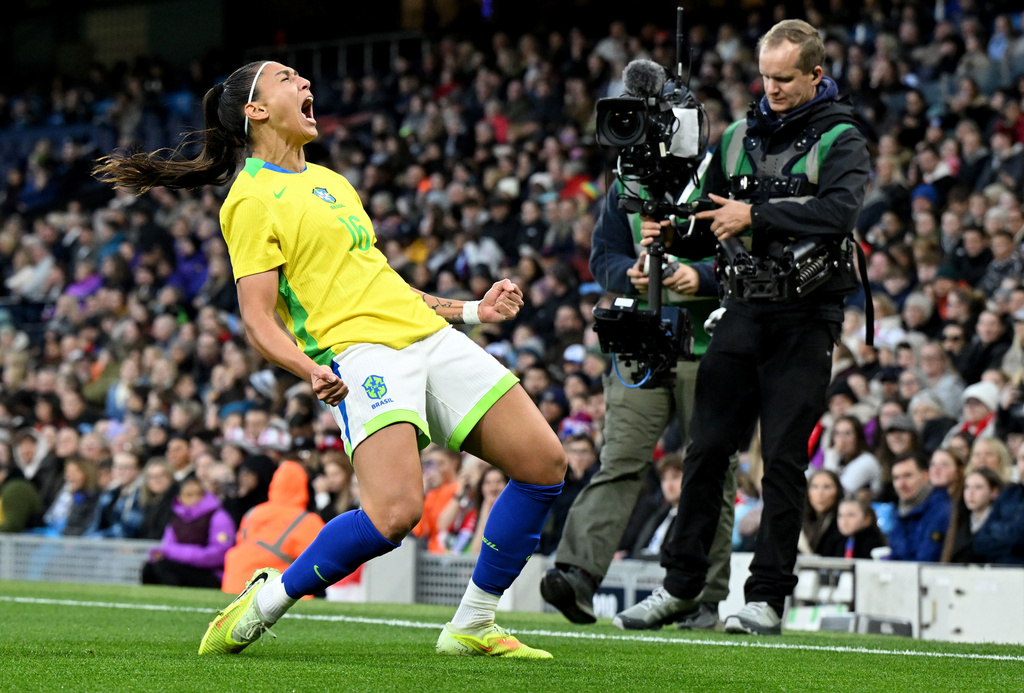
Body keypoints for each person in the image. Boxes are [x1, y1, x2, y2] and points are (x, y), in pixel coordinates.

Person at [95, 59, 566, 659]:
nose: (307, 84)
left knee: (544, 463)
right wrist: (307, 368)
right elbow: (258, 318)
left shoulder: (332, 181)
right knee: (394, 516)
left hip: (428, 337)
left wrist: (472, 312)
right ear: (256, 110)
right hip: (360, 354)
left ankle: (472, 623)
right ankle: (267, 600)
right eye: (288, 79)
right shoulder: (249, 199)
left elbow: (381, 282)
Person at [613, 19, 870, 636]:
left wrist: (752, 212)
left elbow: (839, 212)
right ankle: (679, 588)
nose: (772, 89)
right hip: (742, 313)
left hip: (806, 320)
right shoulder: (734, 138)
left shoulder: (843, 138)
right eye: (764, 77)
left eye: (784, 79)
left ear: (814, 73)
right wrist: (672, 230)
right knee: (704, 452)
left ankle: (767, 599)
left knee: (782, 460)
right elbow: (704, 214)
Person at [540, 73, 733, 630]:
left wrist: (696, 275)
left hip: (709, 341)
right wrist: (623, 273)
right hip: (640, 342)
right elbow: (603, 254)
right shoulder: (627, 178)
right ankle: (576, 574)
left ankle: (703, 596)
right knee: (619, 460)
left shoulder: (722, 174)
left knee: (710, 473)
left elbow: (749, 257)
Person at [221, 460, 325, 594]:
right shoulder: (308, 520)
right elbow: (319, 563)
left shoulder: (253, 512)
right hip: (274, 591)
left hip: (234, 583)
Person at [142, 476, 236, 588]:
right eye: (189, 495)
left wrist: (172, 553)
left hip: (212, 573)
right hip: (181, 567)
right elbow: (167, 545)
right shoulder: (176, 519)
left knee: (165, 567)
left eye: (198, 494)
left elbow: (219, 554)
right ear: (180, 497)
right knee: (150, 567)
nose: (194, 498)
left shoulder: (218, 516)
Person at [887, 453, 952, 562]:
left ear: (926, 476)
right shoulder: (901, 512)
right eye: (896, 478)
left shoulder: (941, 509)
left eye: (908, 475)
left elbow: (928, 559)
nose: (901, 484)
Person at [798, 469, 845, 556]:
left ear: (838, 491)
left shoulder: (844, 522)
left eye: (827, 487)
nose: (820, 494)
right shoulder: (797, 520)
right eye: (815, 487)